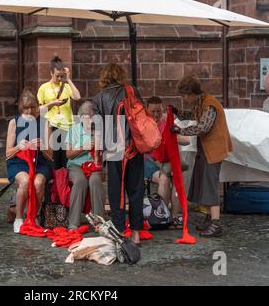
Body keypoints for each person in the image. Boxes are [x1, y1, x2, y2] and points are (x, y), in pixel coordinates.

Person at [170, 74, 233, 237]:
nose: (183, 98)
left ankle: (216, 224)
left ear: (191, 93)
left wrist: (180, 130)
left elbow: (203, 128)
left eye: (184, 95)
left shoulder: (209, 104)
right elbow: (193, 117)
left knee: (210, 185)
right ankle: (209, 219)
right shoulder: (200, 102)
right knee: (204, 184)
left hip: (214, 150)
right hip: (206, 149)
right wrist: (178, 113)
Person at [92, 63, 144, 245]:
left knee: (116, 191)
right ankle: (136, 233)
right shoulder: (132, 91)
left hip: (112, 149)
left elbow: (98, 129)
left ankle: (120, 231)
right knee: (136, 189)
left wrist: (98, 155)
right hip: (134, 148)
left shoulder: (98, 99)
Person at [6, 90, 53, 233]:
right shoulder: (14, 122)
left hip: (40, 163)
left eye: (32, 107)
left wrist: (42, 147)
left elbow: (50, 155)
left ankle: (32, 216)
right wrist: (18, 147)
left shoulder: (45, 123)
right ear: (21, 108)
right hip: (18, 163)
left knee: (38, 183)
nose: (29, 111)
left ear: (37, 107)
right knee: (26, 181)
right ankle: (19, 218)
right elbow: (8, 154)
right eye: (26, 108)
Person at [144, 96, 190, 229]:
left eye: (159, 111)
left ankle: (174, 217)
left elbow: (186, 140)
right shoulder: (144, 124)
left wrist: (171, 136)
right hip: (148, 161)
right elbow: (143, 147)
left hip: (166, 162)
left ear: (162, 110)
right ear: (147, 110)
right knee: (164, 180)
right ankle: (161, 216)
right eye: (153, 112)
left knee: (177, 179)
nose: (156, 115)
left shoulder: (167, 121)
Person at [65, 101, 105, 230]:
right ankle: (73, 223)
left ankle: (99, 222)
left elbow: (103, 155)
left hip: (94, 164)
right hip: (76, 165)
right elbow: (69, 154)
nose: (91, 120)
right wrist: (83, 147)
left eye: (93, 116)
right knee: (80, 181)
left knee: (95, 180)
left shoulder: (99, 131)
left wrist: (98, 153)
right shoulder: (74, 130)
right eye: (88, 117)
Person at [37, 56, 81, 169]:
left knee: (66, 161)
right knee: (54, 160)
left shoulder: (66, 86)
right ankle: (55, 185)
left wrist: (69, 79)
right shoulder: (44, 88)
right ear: (51, 73)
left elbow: (77, 97)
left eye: (62, 76)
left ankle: (64, 185)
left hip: (67, 127)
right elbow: (38, 110)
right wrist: (52, 104)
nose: (60, 78)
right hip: (52, 127)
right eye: (57, 76)